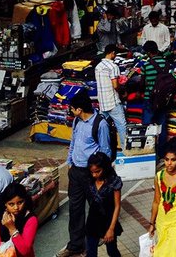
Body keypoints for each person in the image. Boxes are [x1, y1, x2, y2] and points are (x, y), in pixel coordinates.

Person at [59, 91, 112, 257]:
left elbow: (105, 151)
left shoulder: (100, 124)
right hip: (76, 171)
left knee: (97, 207)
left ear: (80, 109)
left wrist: (101, 174)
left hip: (92, 173)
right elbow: (73, 142)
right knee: (75, 210)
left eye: (72, 109)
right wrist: (70, 162)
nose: (71, 111)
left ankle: (102, 235)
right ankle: (75, 245)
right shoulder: (77, 121)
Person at [85, 152, 123, 257]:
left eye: (97, 171)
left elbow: (117, 206)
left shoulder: (113, 182)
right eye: (92, 172)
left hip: (108, 221)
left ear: (105, 168)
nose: (94, 175)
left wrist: (111, 229)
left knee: (112, 251)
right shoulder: (89, 180)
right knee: (91, 252)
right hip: (92, 221)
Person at [95, 44, 126, 150]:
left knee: (102, 128)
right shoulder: (113, 67)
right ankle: (124, 149)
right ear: (112, 53)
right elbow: (115, 85)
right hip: (113, 102)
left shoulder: (98, 67)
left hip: (102, 103)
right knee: (122, 126)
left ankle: (103, 150)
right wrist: (123, 92)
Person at [0, 183, 38, 257]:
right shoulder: (3, 216)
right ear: (5, 204)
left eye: (20, 202)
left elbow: (25, 251)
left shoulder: (31, 219)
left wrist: (12, 229)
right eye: (11, 204)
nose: (16, 207)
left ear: (25, 200)